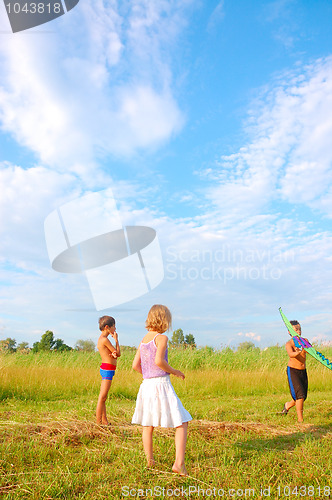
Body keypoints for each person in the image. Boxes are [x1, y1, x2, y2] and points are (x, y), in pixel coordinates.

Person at [132, 304, 192, 476]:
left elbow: (135, 365)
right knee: (181, 422)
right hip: (161, 384)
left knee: (148, 424)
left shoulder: (144, 339)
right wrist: (175, 372)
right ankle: (179, 464)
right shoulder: (162, 338)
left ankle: (149, 461)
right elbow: (159, 361)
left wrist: (148, 375)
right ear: (164, 319)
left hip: (146, 385)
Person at [281, 320, 308, 423]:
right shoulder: (290, 343)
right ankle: (300, 420)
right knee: (300, 395)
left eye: (300, 329)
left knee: (302, 396)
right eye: (296, 329)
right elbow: (291, 354)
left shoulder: (304, 340)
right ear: (289, 332)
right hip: (293, 371)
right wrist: (298, 352)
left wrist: (308, 349)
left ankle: (287, 405)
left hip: (303, 370)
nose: (299, 331)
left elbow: (310, 350)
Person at [96, 315, 121, 426]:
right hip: (107, 369)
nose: (115, 329)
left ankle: (104, 421)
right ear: (107, 327)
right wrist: (116, 340)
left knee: (104, 397)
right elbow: (118, 353)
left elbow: (114, 354)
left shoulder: (102, 339)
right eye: (113, 327)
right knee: (102, 397)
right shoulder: (105, 340)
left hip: (107, 368)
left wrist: (113, 354)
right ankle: (98, 423)